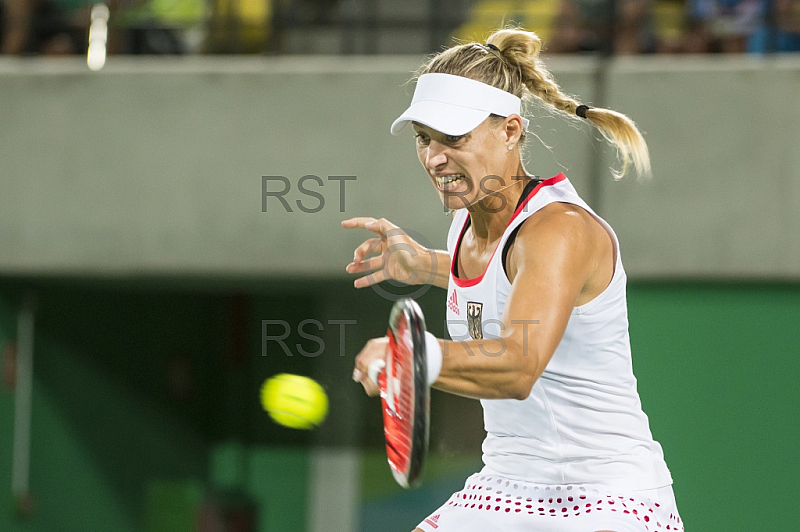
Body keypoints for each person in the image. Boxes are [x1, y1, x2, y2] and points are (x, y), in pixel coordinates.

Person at [343, 27, 683, 532]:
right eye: (424, 139)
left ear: (510, 131)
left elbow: (520, 365)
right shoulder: (468, 219)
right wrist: (427, 265)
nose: (435, 158)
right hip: (506, 485)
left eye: (454, 138)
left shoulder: (560, 229)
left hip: (607, 497)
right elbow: (503, 279)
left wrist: (413, 356)